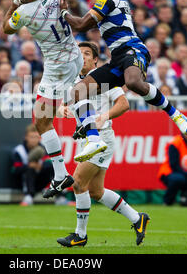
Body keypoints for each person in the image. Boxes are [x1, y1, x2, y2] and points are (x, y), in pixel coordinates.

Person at [60, 0, 187, 163]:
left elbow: (81, 25)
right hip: (118, 57)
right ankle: (94, 139)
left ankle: (176, 115)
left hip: (133, 49)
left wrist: (63, 12)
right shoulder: (112, 0)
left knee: (133, 82)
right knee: (78, 92)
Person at [57, 41, 150, 247]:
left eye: (87, 53)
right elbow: (61, 105)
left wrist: (102, 117)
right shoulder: (73, 81)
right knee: (96, 192)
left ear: (95, 59)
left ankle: (80, 235)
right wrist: (61, 109)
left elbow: (124, 104)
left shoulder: (105, 79)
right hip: (86, 140)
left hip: (102, 138)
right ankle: (137, 218)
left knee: (79, 183)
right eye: (79, 53)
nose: (82, 57)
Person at [2, 0, 85, 198]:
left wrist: (13, 5)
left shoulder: (24, 12)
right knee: (73, 99)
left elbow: (6, 29)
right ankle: (85, 130)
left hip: (57, 66)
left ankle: (60, 173)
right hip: (74, 54)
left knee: (40, 121)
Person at [11, 124, 54, 206]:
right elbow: (14, 169)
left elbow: (49, 163)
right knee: (29, 170)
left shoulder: (43, 149)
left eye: (36, 137)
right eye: (31, 137)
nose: (34, 140)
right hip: (23, 182)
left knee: (54, 169)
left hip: (40, 180)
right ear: (26, 137)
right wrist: (29, 166)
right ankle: (28, 197)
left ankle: (60, 197)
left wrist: (40, 166)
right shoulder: (19, 150)